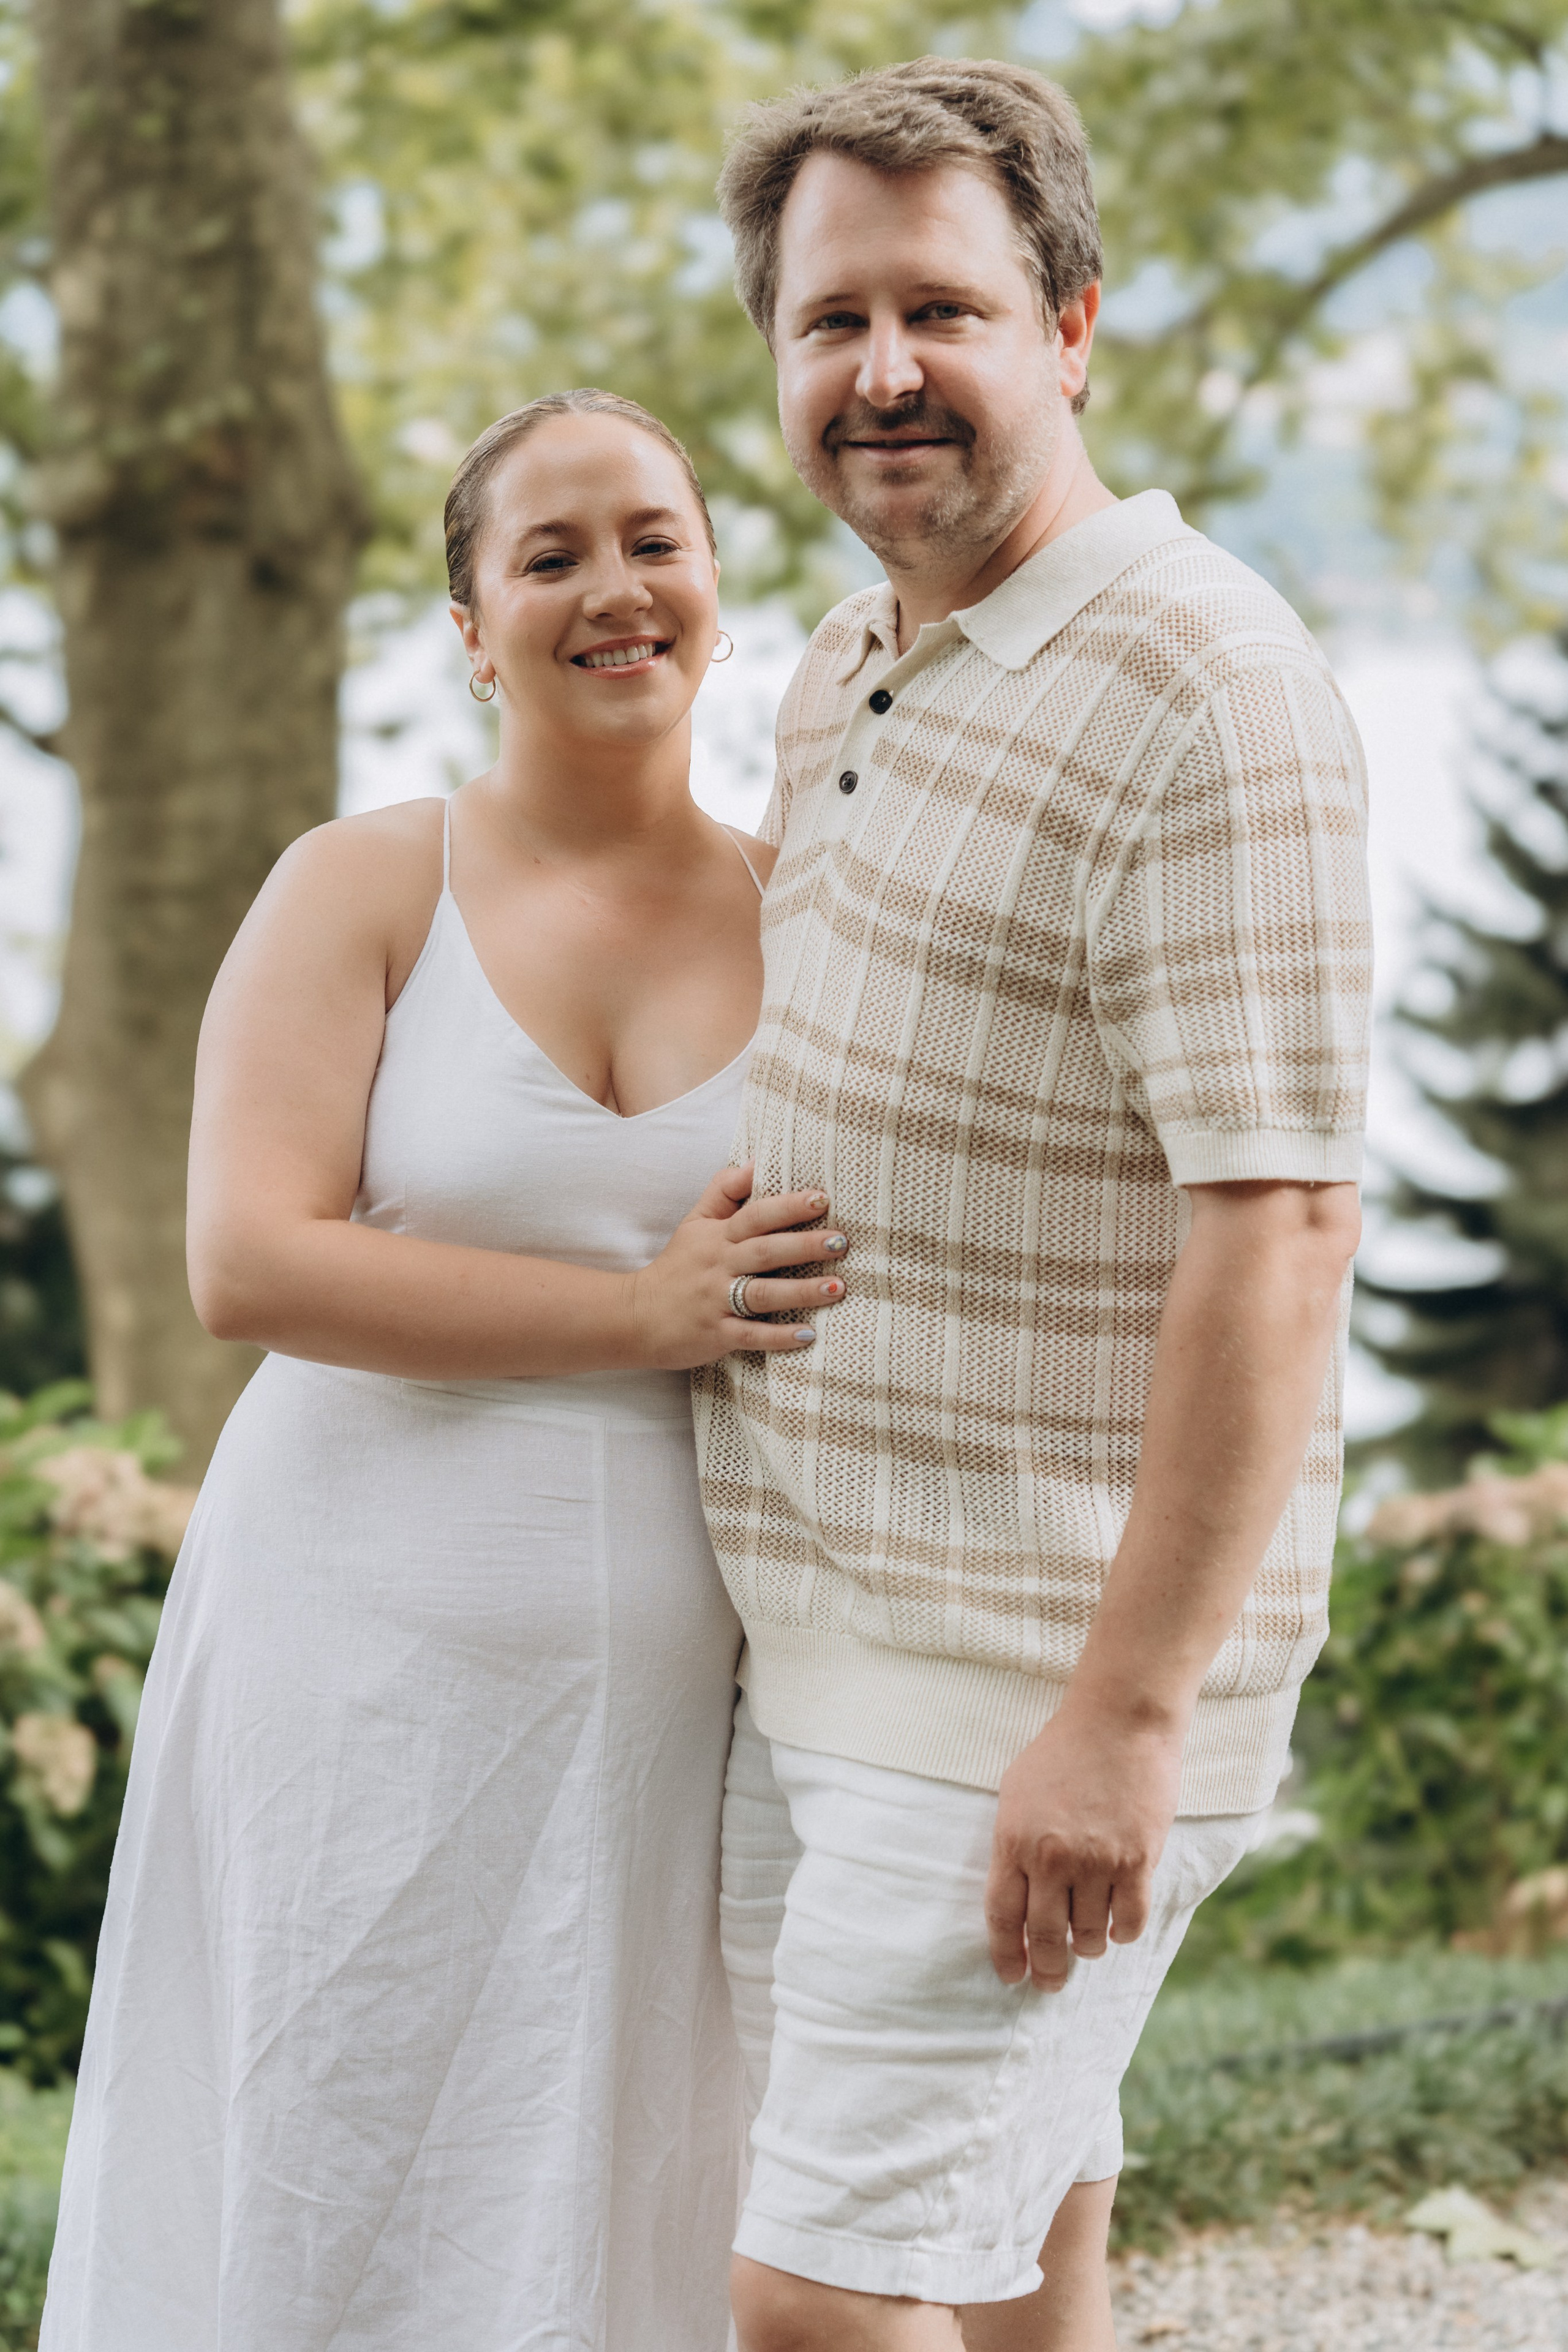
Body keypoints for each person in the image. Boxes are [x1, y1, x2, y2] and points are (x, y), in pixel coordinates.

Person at [41, 387, 850, 2352]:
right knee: (338, 2135)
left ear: (719, 592)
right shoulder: (365, 884)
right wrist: (637, 1317)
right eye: (550, 556)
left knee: (620, 2174)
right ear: (473, 629)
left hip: (668, 1690)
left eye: (653, 539)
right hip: (354, 1658)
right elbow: (246, 1262)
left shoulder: (812, 911)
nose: (614, 589)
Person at [697, 58, 1373, 2352]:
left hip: (1025, 1670)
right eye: (827, 321)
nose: (881, 371)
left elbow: (1275, 1227)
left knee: (815, 2304)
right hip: (829, 1621)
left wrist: (1130, 1708)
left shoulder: (1203, 682)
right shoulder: (842, 663)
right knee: (1016, 2268)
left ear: (1071, 324)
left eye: (946, 311)